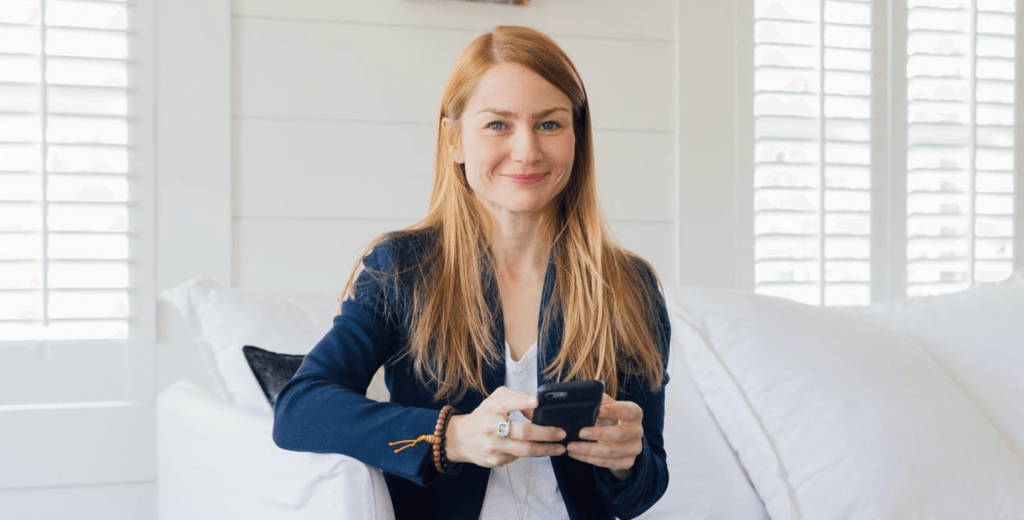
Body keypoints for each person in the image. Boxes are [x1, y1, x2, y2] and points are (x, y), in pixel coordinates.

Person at [272, 25, 671, 520]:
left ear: (577, 138)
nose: (527, 151)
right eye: (498, 125)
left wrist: (626, 461)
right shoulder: (402, 268)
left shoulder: (629, 285)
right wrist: (453, 436)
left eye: (549, 124)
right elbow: (300, 410)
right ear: (454, 139)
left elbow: (645, 488)